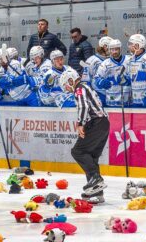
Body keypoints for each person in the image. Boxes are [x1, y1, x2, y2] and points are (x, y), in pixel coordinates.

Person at [59, 68, 109, 204]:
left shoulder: (79, 88)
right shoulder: (85, 86)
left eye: (66, 86)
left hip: (96, 123)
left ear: (70, 81)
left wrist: (80, 123)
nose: (67, 90)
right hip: (103, 123)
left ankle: (96, 179)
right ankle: (97, 193)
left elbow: (83, 106)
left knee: (78, 151)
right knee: (92, 157)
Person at [94, 39, 131, 107]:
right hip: (111, 100)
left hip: (128, 101)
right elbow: (96, 78)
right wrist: (101, 82)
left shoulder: (129, 60)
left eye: (116, 49)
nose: (114, 52)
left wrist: (127, 80)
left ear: (120, 49)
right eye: (112, 49)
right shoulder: (105, 63)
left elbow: (135, 77)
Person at [126, 34, 146, 108]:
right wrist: (124, 79)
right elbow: (131, 78)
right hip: (134, 101)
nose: (129, 46)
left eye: (131, 44)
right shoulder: (131, 59)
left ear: (137, 45)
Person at [82, 36, 112, 103]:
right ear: (105, 46)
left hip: (110, 95)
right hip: (97, 95)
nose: (112, 49)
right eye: (111, 47)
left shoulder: (110, 60)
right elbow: (85, 81)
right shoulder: (91, 60)